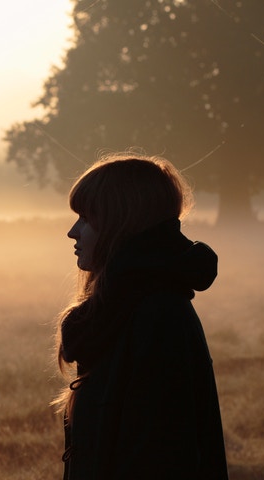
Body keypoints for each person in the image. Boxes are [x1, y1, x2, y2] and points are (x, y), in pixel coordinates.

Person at [56, 153, 228, 479]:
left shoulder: (157, 317)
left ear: (120, 224)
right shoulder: (118, 311)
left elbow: (162, 457)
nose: (73, 232)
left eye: (86, 218)